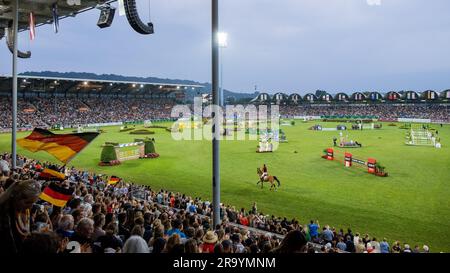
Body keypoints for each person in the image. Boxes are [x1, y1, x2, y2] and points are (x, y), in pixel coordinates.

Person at [0, 179, 41, 253]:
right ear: (16, 197)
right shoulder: (4, 214)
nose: (30, 206)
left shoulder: (27, 211)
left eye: (33, 203)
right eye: (27, 202)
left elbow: (30, 231)